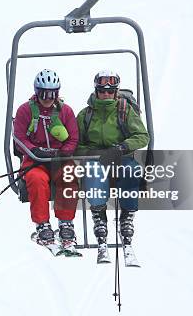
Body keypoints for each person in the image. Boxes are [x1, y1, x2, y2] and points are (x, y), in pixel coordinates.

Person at [76, 70, 149, 262]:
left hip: (120, 157)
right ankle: (99, 218)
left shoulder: (124, 111)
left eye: (110, 91)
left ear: (116, 92)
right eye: (102, 91)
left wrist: (122, 147)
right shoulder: (86, 115)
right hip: (95, 160)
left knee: (132, 170)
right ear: (96, 91)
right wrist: (91, 154)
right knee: (93, 172)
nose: (106, 95)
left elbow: (143, 136)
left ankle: (127, 216)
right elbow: (74, 144)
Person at [13, 69, 80, 251]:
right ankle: (43, 225)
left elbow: (73, 138)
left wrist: (64, 152)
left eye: (52, 94)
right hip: (35, 160)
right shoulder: (25, 111)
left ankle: (66, 223)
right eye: (43, 93)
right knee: (36, 179)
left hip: (59, 159)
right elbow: (19, 137)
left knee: (69, 176)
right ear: (36, 92)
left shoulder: (65, 111)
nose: (48, 98)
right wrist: (34, 150)